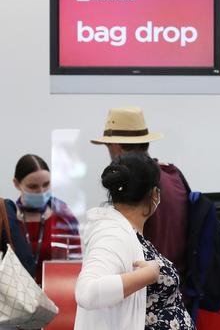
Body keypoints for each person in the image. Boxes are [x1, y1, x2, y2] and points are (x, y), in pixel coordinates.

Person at [74, 153, 194, 330]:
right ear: (154, 193)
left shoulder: (130, 233)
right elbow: (87, 293)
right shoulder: (112, 234)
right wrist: (146, 275)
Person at [91, 107, 190, 285]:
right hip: (178, 293)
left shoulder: (133, 185)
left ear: (116, 146)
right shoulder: (174, 176)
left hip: (145, 293)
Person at [11, 154, 80, 283]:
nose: (41, 191)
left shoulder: (64, 217)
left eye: (46, 184)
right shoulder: (8, 219)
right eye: (33, 187)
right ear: (16, 184)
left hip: (56, 295)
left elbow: (76, 265)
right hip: (17, 299)